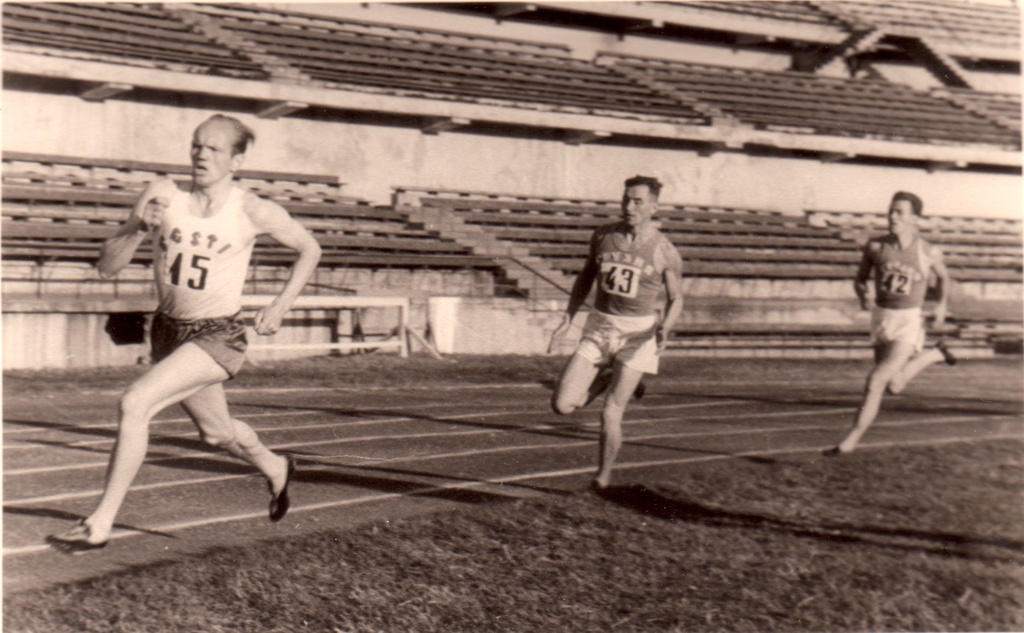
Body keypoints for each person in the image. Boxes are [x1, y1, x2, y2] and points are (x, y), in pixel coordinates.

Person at [49, 114, 322, 552]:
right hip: (169, 331)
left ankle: (99, 523)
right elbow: (106, 267)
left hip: (219, 335)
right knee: (216, 434)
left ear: (237, 160)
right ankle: (276, 467)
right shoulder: (163, 195)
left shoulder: (252, 208)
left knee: (135, 403)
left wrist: (280, 303)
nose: (201, 154)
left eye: (214, 148)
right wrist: (139, 227)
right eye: (197, 145)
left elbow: (311, 248)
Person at [549, 175, 684, 489]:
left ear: (653, 206)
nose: (629, 206)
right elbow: (586, 276)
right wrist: (568, 319)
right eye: (626, 199)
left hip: (638, 335)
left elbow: (677, 298)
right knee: (562, 405)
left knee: (612, 411)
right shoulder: (603, 235)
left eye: (637, 201)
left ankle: (602, 478)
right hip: (600, 326)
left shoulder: (665, 250)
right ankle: (608, 377)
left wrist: (665, 327)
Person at [825, 191, 957, 456]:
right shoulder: (876, 247)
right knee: (894, 386)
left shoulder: (928, 251)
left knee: (875, 381)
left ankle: (849, 441)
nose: (892, 216)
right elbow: (860, 279)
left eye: (900, 212)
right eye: (891, 210)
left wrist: (941, 306)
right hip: (881, 319)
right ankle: (934, 354)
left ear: (915, 218)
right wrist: (863, 295)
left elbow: (944, 278)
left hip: (908, 322)